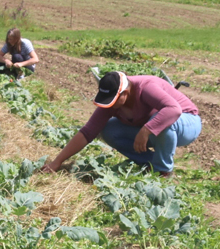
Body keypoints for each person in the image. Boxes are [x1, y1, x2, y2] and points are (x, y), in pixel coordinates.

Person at [42, 71, 201, 177]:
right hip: (157, 129)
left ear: (125, 93)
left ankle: (163, 171)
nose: (109, 105)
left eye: (113, 100)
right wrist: (57, 161)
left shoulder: (146, 87)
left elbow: (174, 110)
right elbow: (88, 132)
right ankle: (149, 163)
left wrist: (146, 130)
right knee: (109, 129)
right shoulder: (113, 103)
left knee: (162, 119)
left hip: (187, 123)